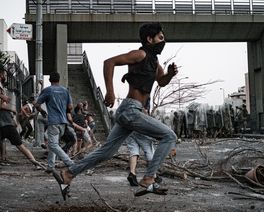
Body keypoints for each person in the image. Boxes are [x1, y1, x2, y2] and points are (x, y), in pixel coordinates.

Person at [53, 22, 178, 199]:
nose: (163, 41)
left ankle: (69, 173)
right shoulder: (139, 54)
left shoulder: (155, 61)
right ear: (150, 39)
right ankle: (149, 178)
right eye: (160, 37)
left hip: (131, 112)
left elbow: (161, 81)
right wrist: (110, 91)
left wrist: (170, 75)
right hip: (131, 110)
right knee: (169, 136)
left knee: (107, 152)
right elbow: (109, 62)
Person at [33, 72, 75, 173]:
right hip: (63, 122)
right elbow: (70, 107)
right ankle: (50, 166)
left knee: (53, 145)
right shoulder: (65, 91)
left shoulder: (47, 90)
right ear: (59, 79)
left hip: (53, 121)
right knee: (53, 144)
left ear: (50, 80)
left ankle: (70, 163)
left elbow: (37, 104)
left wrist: (42, 111)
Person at [0, 99, 45, 170]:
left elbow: (13, 117)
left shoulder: (1, 106)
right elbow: (15, 115)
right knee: (20, 146)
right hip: (8, 127)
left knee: (3, 142)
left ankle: (34, 162)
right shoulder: (6, 106)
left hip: (4, 127)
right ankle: (34, 162)